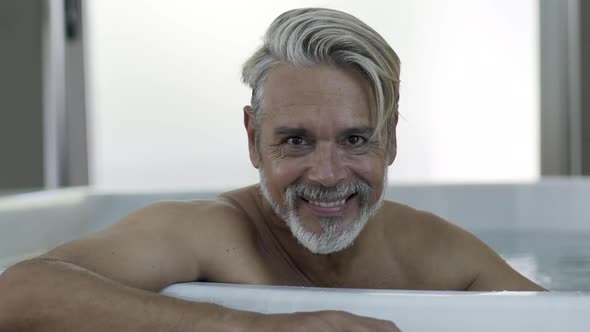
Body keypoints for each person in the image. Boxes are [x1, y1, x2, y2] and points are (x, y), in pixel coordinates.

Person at [0, 7, 544, 332]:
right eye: (295, 141)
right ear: (253, 139)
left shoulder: (438, 253)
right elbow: (17, 294)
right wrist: (255, 327)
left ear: (392, 138)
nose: (328, 175)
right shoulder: (206, 232)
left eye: (356, 139)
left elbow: (557, 319)